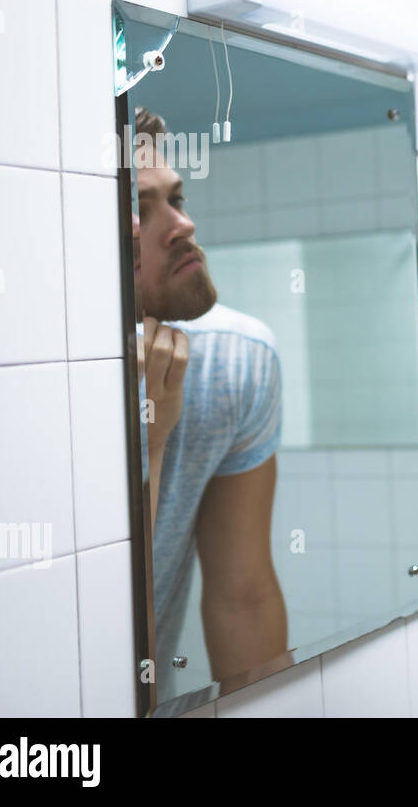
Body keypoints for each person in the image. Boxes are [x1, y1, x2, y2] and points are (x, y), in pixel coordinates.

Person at [132, 106, 290, 702]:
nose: (182, 226)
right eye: (141, 212)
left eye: (177, 198)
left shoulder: (233, 360)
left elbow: (242, 596)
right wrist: (147, 438)